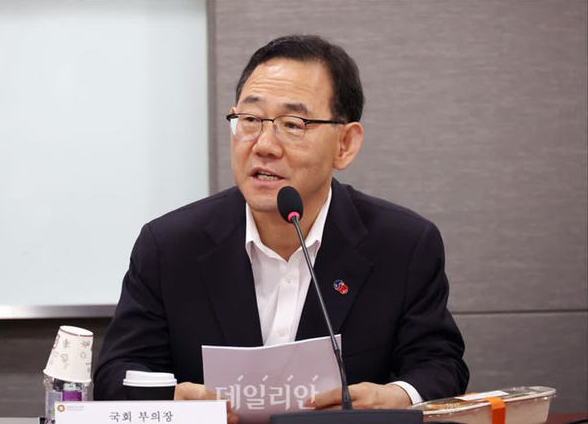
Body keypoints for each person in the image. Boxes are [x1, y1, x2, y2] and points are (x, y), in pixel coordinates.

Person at [94, 35, 468, 417]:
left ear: (345, 145)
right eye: (250, 120)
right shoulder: (169, 246)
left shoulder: (403, 246)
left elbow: (439, 364)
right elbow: (117, 373)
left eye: (292, 124)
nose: (264, 145)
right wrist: (170, 401)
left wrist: (397, 396)